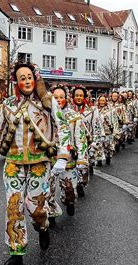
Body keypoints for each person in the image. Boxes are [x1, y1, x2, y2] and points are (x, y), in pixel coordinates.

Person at [0, 62, 70, 265]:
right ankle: (16, 251)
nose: (26, 81)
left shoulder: (47, 102)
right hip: (13, 163)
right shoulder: (8, 104)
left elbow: (63, 126)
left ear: (35, 78)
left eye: (29, 77)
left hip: (39, 163)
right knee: (14, 207)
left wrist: (62, 156)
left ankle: (43, 227)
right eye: (22, 78)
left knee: (36, 209)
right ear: (16, 81)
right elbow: (0, 132)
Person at [49, 84, 88, 222]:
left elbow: (80, 138)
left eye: (61, 97)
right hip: (49, 159)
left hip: (69, 159)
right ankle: (50, 214)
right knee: (48, 191)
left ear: (66, 98)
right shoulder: (45, 115)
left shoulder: (74, 116)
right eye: (55, 97)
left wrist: (82, 159)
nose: (58, 100)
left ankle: (69, 202)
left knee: (70, 191)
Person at [71, 85, 104, 193]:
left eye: (81, 95)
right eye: (76, 95)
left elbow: (97, 127)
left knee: (83, 167)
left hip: (86, 144)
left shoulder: (92, 111)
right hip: (70, 144)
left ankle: (81, 183)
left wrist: (95, 142)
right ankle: (71, 187)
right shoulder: (68, 110)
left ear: (85, 97)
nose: (78, 98)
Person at [97, 95, 119, 165]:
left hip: (108, 131)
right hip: (99, 131)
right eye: (100, 100)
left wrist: (115, 130)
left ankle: (108, 157)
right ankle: (99, 160)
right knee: (99, 146)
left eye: (103, 100)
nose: (102, 102)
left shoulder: (111, 110)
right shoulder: (95, 110)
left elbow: (115, 120)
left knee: (108, 146)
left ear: (106, 101)